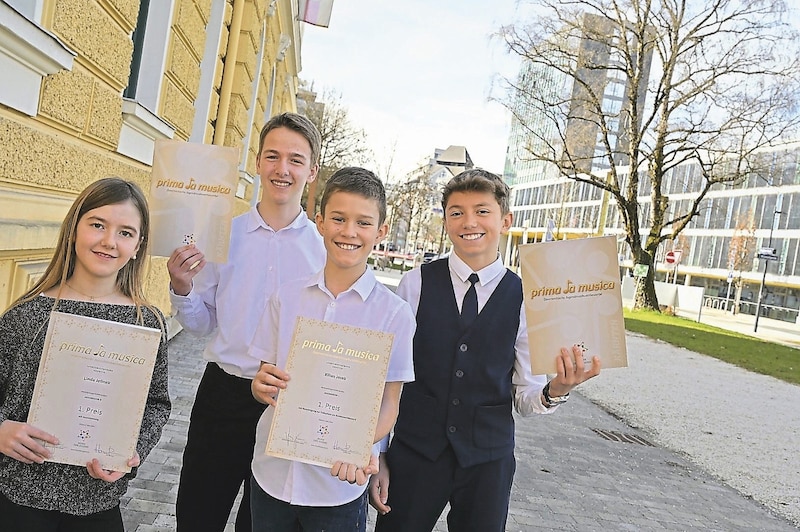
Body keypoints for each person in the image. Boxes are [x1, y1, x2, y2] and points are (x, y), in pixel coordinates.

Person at [369, 169, 602, 531]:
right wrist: (378, 453)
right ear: (445, 221)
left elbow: (525, 396)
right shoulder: (415, 283)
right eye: (457, 212)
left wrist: (556, 390)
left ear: (505, 220)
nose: (469, 222)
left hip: (487, 462)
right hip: (415, 455)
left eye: (482, 211)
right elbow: (387, 378)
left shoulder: (528, 297)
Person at [167, 112, 326, 532]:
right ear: (257, 162)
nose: (282, 169)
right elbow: (202, 324)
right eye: (272, 156)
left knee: (261, 525)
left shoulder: (324, 253)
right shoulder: (224, 235)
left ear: (311, 171)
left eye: (295, 159)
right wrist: (182, 287)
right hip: (222, 393)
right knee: (198, 516)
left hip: (285, 402)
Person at [249, 167, 415, 532]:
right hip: (271, 474)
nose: (349, 232)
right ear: (320, 222)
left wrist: (359, 443)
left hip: (337, 486)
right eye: (339, 219)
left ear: (381, 232)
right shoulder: (286, 297)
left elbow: (389, 402)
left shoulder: (394, 314)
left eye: (363, 222)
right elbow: (264, 375)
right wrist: (260, 387)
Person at [0, 177, 171, 531]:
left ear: (138, 245)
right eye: (97, 225)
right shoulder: (27, 315)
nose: (109, 241)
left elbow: (155, 403)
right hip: (17, 500)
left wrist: (132, 452)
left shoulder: (146, 322)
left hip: (97, 505)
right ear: (73, 229)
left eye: (126, 232)